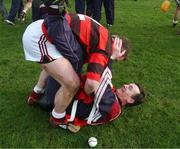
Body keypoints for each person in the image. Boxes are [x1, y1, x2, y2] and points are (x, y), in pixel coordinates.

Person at [37, 66, 145, 133]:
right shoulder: (111, 93)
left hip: (63, 101)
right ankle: (39, 94)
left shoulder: (114, 109)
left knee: (55, 66)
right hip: (66, 96)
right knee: (57, 63)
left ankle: (42, 96)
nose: (125, 85)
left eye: (130, 88)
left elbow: (101, 76)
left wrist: (110, 57)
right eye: (128, 84)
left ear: (131, 100)